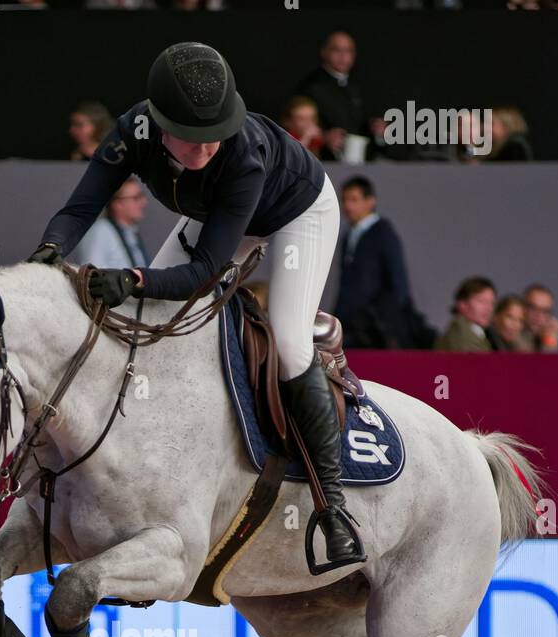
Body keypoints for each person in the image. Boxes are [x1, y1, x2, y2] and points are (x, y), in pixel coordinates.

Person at [29, 41, 360, 566]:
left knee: (290, 341)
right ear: (159, 127)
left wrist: (134, 278)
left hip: (297, 212)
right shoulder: (131, 134)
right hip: (219, 215)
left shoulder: (241, 156)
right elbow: (81, 207)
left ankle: (332, 508)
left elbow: (204, 273)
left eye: (215, 136)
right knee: (144, 321)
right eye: (194, 140)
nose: (208, 149)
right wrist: (46, 253)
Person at [334, 177, 415, 348]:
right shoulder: (349, 235)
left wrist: (383, 320)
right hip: (351, 327)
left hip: (372, 330)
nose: (347, 206)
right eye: (345, 200)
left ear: (370, 201)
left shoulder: (383, 233)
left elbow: (397, 281)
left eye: (354, 199)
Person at [293, 32, 382, 162]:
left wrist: (377, 129)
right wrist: (323, 137)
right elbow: (296, 126)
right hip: (323, 162)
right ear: (324, 52)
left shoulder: (360, 86)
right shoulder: (311, 87)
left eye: (348, 51)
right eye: (337, 50)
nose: (343, 56)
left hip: (362, 162)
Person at [72, 178, 150, 269]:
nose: (144, 202)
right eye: (136, 197)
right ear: (117, 204)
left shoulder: (131, 232)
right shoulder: (100, 231)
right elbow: (93, 274)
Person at [435, 277, 496, 351]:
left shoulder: (476, 332)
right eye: (481, 301)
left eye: (491, 303)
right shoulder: (461, 335)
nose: (489, 308)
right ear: (462, 304)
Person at [518, 283, 558, 352]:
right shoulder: (511, 338)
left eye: (545, 311)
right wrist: (549, 343)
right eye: (533, 308)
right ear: (521, 307)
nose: (538, 316)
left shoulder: (545, 336)